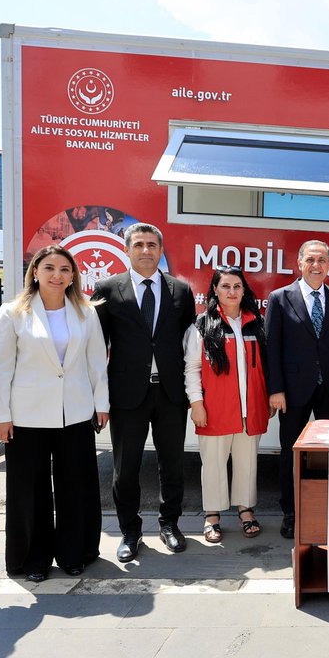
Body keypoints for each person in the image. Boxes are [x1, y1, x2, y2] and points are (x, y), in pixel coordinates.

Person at [0, 245, 109, 582]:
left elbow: (97, 362)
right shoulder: (13, 312)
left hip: (75, 412)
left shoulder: (86, 312)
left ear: (74, 276)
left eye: (65, 269)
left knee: (77, 486)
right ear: (36, 272)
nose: (57, 275)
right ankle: (32, 559)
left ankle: (76, 552)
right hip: (26, 416)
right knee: (30, 489)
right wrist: (0, 414)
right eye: (50, 268)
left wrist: (102, 404)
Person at [92, 223, 196, 563]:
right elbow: (96, 347)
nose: (146, 250)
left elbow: (188, 344)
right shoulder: (108, 288)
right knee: (126, 467)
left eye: (152, 244)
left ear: (161, 249)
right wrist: (99, 398)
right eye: (139, 244)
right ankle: (129, 531)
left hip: (169, 393)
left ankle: (170, 525)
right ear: (127, 249)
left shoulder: (180, 291)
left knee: (173, 465)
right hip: (127, 395)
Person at [265, 240, 329, 539]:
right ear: (300, 263)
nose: (317, 265)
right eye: (311, 260)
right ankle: (291, 513)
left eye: (323, 260)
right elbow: (272, 349)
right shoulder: (280, 298)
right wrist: (275, 389)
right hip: (292, 391)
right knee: (292, 452)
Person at [185, 266, 272, 543]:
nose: (231, 292)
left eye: (237, 286)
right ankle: (212, 516)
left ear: (244, 290)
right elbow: (192, 369)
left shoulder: (256, 323)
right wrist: (196, 403)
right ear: (214, 290)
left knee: (248, 463)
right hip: (216, 409)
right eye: (225, 286)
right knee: (213, 464)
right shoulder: (202, 325)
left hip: (251, 408)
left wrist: (268, 396)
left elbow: (267, 367)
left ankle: (246, 511)